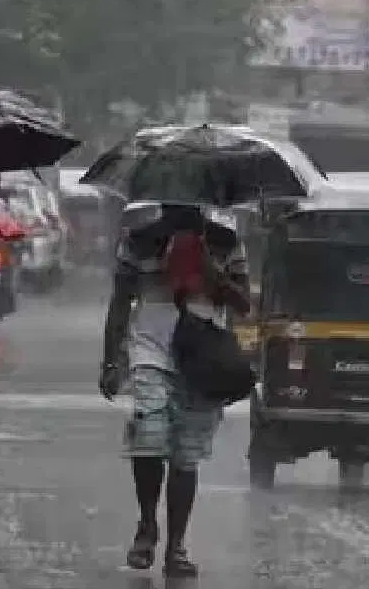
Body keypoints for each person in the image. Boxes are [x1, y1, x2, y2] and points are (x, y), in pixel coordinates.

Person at [99, 203, 250, 578]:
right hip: (150, 350)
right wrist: (110, 360)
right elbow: (120, 301)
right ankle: (148, 525)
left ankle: (176, 544)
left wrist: (211, 273)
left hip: (202, 355)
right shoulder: (139, 241)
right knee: (148, 436)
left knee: (186, 453)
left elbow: (244, 304)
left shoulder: (225, 242)